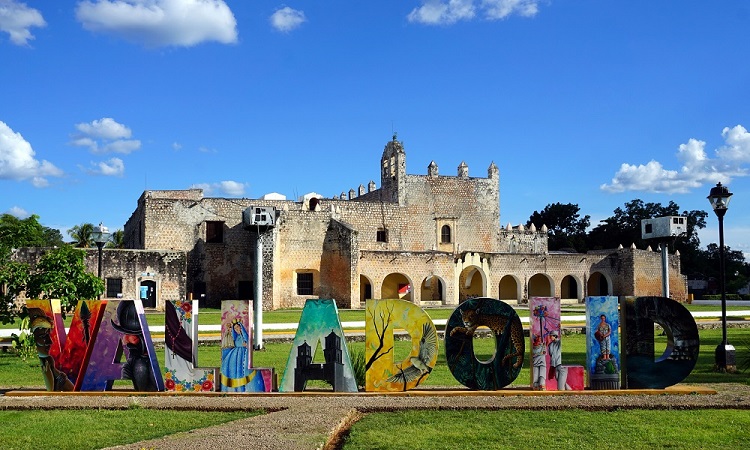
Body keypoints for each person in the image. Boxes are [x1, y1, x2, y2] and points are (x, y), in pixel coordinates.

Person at [111, 301, 158, 391]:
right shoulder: (126, 338)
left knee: (151, 371)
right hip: (136, 360)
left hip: (145, 358)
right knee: (140, 368)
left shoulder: (138, 337)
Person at [28, 308, 74, 391]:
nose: (50, 342)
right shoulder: (46, 363)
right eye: (43, 336)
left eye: (49, 335)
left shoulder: (49, 361)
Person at [221, 319, 264, 392]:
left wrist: (246, 345)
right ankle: (232, 387)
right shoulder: (236, 337)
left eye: (238, 327)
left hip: (242, 354)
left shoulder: (244, 336)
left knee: (241, 370)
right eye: (235, 328)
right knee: (233, 369)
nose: (237, 329)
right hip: (234, 355)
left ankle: (241, 387)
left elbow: (248, 344)